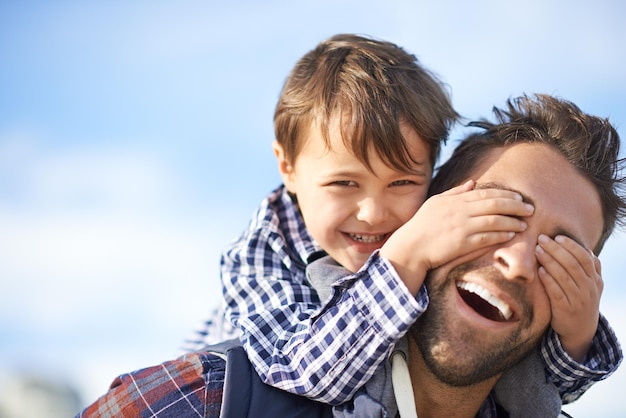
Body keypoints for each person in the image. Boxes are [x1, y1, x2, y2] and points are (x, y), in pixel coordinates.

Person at [76, 94, 625, 417]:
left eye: (562, 253)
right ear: (422, 218)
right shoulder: (210, 397)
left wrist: (580, 337)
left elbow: (564, 375)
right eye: (499, 215)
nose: (520, 262)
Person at [182, 34, 620, 405]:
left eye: (401, 184)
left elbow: (525, 391)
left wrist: (576, 338)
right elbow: (300, 374)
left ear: (433, 177)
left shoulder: (440, 244)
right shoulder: (263, 254)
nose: (374, 214)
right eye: (343, 184)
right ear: (288, 167)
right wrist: (405, 257)